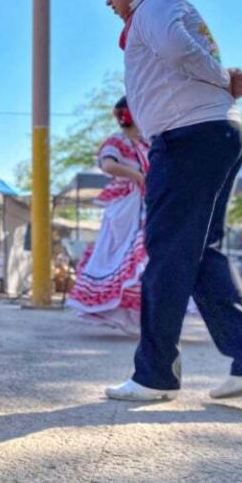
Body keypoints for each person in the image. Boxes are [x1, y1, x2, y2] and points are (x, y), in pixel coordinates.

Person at [100, 0, 242, 402]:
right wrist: (223, 80)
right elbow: (185, 55)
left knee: (165, 252)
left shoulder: (154, 5)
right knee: (201, 253)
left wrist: (223, 78)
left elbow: (181, 50)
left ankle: (154, 374)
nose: (108, 2)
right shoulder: (167, 8)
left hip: (188, 137)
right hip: (208, 133)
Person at [66, 97, 149, 335]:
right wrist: (136, 175)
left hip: (144, 203)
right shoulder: (117, 141)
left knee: (142, 257)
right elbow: (108, 165)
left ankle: (137, 316)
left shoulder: (147, 143)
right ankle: (122, 313)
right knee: (122, 255)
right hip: (126, 206)